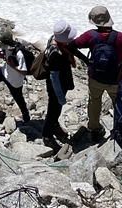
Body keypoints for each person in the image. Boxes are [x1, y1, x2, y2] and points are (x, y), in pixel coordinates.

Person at [70, 5, 122, 142]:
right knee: (118, 104)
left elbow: (71, 46)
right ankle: (119, 129)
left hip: (95, 78)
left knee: (94, 101)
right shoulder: (120, 37)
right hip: (115, 79)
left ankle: (95, 130)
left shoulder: (90, 36)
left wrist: (87, 61)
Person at [41, 20, 78, 151]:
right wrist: (60, 96)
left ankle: (55, 125)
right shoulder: (56, 54)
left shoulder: (54, 39)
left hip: (61, 82)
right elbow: (54, 78)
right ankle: (47, 136)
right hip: (56, 86)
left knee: (56, 109)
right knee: (53, 110)